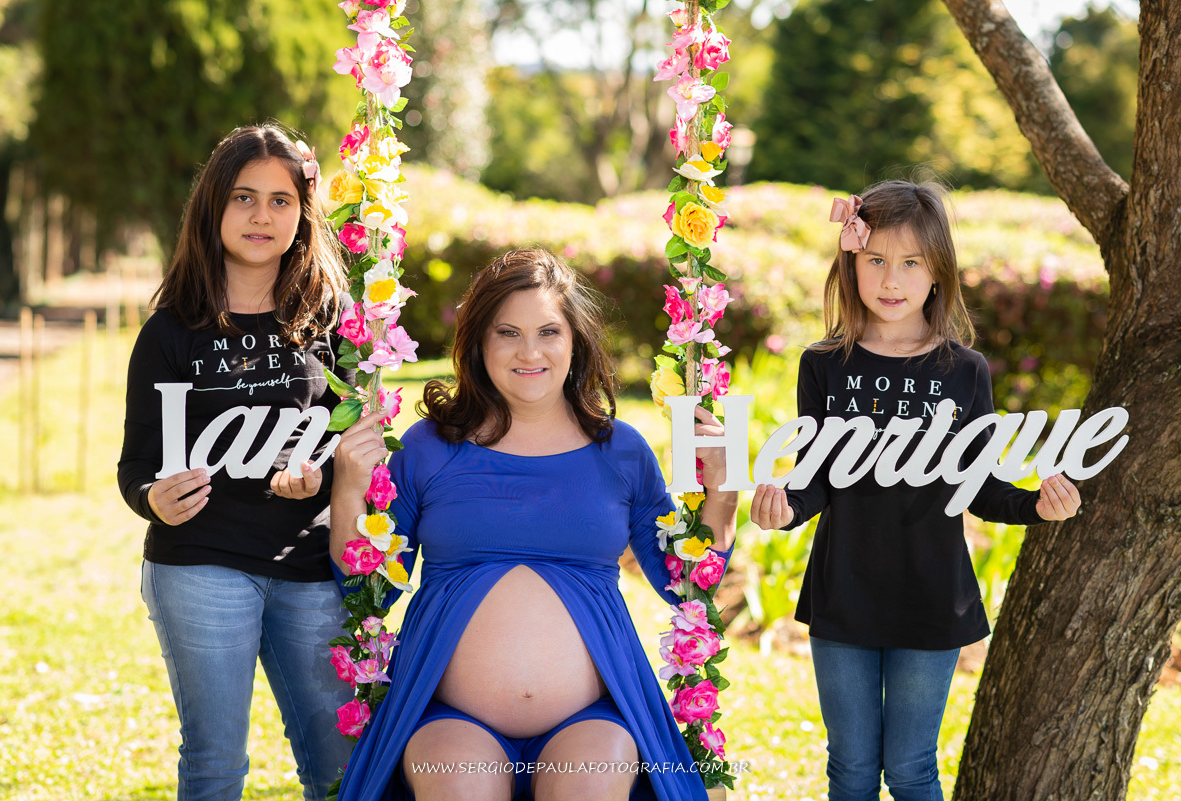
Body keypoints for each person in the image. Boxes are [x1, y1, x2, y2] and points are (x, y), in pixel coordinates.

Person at [329, 248, 737, 801]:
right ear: (479, 342)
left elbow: (687, 584)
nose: (530, 352)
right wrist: (350, 485)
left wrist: (724, 495)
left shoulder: (620, 452)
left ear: (575, 342)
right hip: (453, 720)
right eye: (507, 333)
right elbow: (368, 587)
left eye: (549, 331)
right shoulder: (429, 448)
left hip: (588, 721)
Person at [750, 181, 1082, 801]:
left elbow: (977, 484)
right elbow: (816, 477)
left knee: (910, 770)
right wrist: (784, 508)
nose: (890, 278)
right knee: (848, 767)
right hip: (843, 590)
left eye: (910, 263)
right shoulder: (825, 364)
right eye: (875, 260)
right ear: (851, 265)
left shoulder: (963, 370)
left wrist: (1035, 504)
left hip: (931, 595)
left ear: (938, 273)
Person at [117, 123, 356, 801]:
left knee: (338, 767)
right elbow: (135, 464)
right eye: (244, 197)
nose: (262, 216)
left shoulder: (330, 324)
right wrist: (153, 496)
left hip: (309, 568)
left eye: (282, 200)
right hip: (200, 563)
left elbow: (355, 443)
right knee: (217, 763)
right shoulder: (170, 331)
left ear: (302, 213)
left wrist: (323, 475)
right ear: (213, 207)